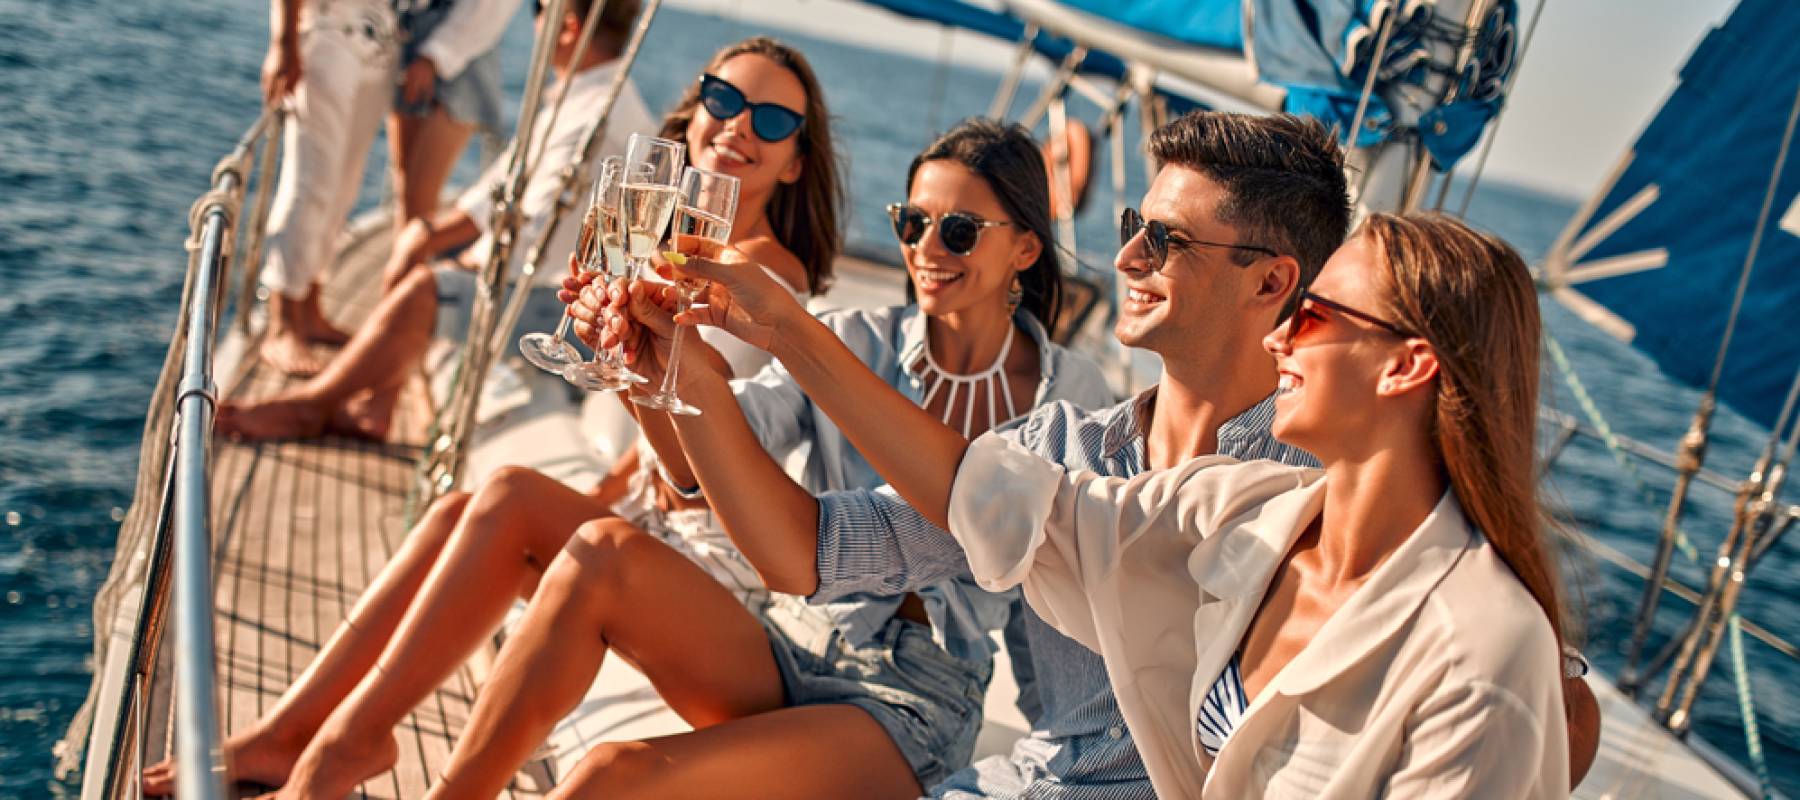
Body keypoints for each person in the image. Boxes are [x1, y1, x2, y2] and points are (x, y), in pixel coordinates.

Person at [656, 110, 1601, 797]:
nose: (1129, 260)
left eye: (1167, 239)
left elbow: (1552, 709)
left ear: (1273, 282)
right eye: (1129, 231)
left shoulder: (1339, 490)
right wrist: (690, 374)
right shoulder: (1189, 492)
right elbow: (829, 546)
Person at [142, 35, 848, 798]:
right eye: (724, 100)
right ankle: (289, 737)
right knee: (459, 512)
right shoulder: (677, 247)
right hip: (664, 527)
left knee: (511, 495)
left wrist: (626, 369)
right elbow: (658, 452)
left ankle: (338, 755)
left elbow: (709, 463)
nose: (739, 127)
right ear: (696, 111)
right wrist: (617, 401)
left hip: (723, 571)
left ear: (798, 161)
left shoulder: (767, 278)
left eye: (773, 121)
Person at [422, 118, 1111, 798]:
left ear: (1025, 247)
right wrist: (648, 359)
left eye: (958, 229)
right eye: (911, 223)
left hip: (913, 700)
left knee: (613, 774)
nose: (927, 247)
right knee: (600, 548)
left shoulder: (1074, 398)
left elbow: (1057, 605)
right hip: (789, 638)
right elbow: (701, 469)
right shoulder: (852, 338)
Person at [213, 0, 654, 441]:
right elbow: (505, 183)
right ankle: (377, 405)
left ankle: (310, 407)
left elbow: (534, 234)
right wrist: (426, 234)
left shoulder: (594, 118)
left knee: (423, 288)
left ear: (569, 27)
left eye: (538, 9)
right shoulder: (589, 96)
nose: (533, 20)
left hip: (556, 298)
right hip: (548, 275)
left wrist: (452, 256)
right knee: (414, 243)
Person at [255, 0, 400, 376]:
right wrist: (283, 43)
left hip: (380, 41)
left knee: (343, 186)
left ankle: (311, 308)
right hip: (329, 34)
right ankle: (282, 326)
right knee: (311, 181)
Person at [388, 0, 519, 237]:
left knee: (419, 198)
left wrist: (433, 57)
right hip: (411, 42)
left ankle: (408, 265)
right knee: (405, 187)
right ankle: (404, 263)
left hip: (460, 61)